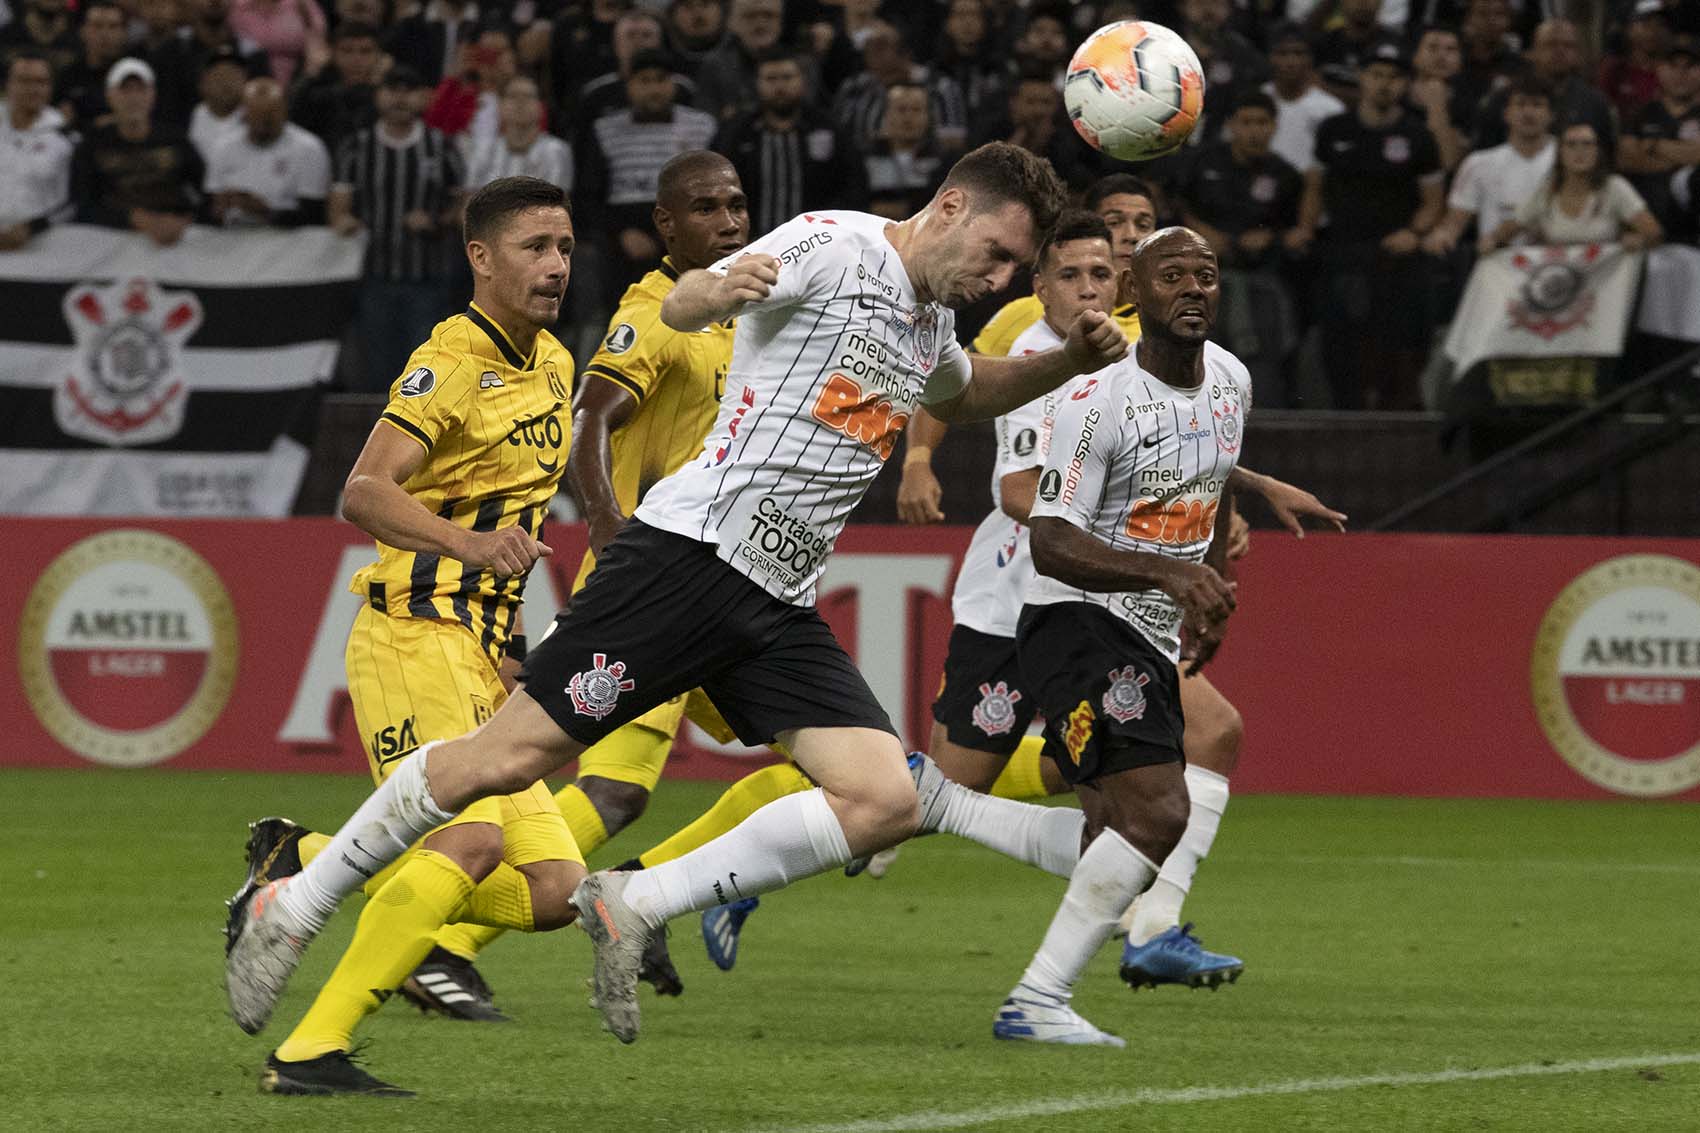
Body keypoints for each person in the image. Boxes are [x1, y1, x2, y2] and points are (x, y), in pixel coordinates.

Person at [223, 141, 1124, 1049]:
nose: (1004, 277)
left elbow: (966, 392)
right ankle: (295, 902)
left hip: (776, 601)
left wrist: (1067, 360)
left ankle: (637, 899)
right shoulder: (835, 244)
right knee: (498, 761)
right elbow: (694, 296)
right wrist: (714, 294)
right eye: (1000, 255)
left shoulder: (930, 320)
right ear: (952, 207)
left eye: (1016, 267)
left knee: (882, 797)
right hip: (687, 562)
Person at [907, 227, 1332, 1045]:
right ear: (1140, 289)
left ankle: (945, 809)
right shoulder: (1089, 393)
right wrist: (1170, 576)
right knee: (1161, 808)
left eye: (1206, 275)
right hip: (1072, 616)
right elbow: (1049, 535)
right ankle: (1042, 993)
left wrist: (1207, 589)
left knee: (1112, 830)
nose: (1194, 289)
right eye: (1172, 275)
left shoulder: (1233, 380)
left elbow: (1206, 486)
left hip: (1144, 625)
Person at [237, 176, 583, 1096]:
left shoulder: (553, 362)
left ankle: (300, 857)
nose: (555, 265)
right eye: (534, 247)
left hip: (475, 649)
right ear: (481, 256)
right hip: (410, 630)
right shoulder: (453, 357)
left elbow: (514, 504)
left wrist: (507, 648)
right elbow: (364, 488)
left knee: (552, 885)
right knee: (464, 845)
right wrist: (468, 545)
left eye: (564, 247)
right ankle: (312, 1047)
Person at [394, 151, 755, 1013]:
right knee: (610, 783)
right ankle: (447, 937)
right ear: (666, 225)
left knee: (801, 759)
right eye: (707, 208)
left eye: (739, 204)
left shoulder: (733, 312)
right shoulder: (655, 311)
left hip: (721, 581)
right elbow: (595, 409)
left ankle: (648, 889)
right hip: (653, 581)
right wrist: (608, 527)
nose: (731, 221)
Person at [1304, 41, 1444, 409]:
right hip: (1343, 251)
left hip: (1395, 255)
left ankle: (1393, 412)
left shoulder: (1418, 136)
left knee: (1396, 344)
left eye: (1394, 77)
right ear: (1362, 79)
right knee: (1339, 341)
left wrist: (1413, 233)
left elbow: (1433, 203)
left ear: (1405, 85)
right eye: (1377, 74)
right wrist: (1304, 228)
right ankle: (1343, 410)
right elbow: (1315, 189)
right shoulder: (1333, 130)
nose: (1384, 84)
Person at [329, 66, 466, 391]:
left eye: (409, 90)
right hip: (374, 278)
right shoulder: (356, 148)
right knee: (377, 371)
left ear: (423, 97)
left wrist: (435, 221)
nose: (400, 98)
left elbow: (463, 209)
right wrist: (345, 222)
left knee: (422, 373)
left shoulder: (442, 148)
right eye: (392, 89)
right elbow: (338, 209)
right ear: (379, 96)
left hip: (427, 280)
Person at [715, 46, 867, 235]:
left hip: (817, 242)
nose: (780, 87)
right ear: (757, 83)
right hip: (750, 241)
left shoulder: (830, 128)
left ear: (802, 81)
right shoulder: (736, 132)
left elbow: (853, 185)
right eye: (771, 79)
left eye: (787, 78)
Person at [70, 57, 205, 246]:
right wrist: (135, 219)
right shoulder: (92, 144)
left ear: (152, 95)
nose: (133, 97)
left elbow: (203, 192)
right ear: (110, 96)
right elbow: (83, 205)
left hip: (175, 246)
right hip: (110, 249)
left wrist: (185, 219)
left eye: (141, 89)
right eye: (125, 89)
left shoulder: (176, 140)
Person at [1423, 74, 1554, 257]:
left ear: (1551, 114)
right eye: (1521, 104)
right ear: (1506, 113)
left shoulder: (1566, 160)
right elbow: (1455, 222)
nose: (1528, 112)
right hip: (1497, 269)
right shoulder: (1478, 163)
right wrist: (1443, 236)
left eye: (1537, 105)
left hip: (1553, 264)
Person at [1482, 121, 1662, 251]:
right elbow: (1509, 228)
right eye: (1571, 145)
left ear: (1597, 152)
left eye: (1587, 144)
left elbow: (1653, 232)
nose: (1579, 151)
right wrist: (1492, 240)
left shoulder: (1615, 187)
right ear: (1560, 152)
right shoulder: (1547, 192)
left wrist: (1639, 239)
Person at [204, 76, 331, 227]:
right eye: (257, 115)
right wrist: (218, 208)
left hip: (289, 241)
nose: (263, 124)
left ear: (284, 111)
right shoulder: (223, 147)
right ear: (244, 114)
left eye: (269, 116)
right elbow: (209, 206)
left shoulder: (309, 148)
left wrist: (266, 211)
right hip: (233, 236)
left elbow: (315, 216)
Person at [1472, 20, 1614, 152]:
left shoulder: (1595, 103)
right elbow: (1485, 152)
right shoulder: (1505, 99)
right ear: (1533, 52)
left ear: (1577, 54)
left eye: (1568, 45)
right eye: (1551, 44)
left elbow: (1605, 156)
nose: (1560, 51)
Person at [1617, 36, 1700, 240]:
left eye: (1690, 66)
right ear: (1659, 69)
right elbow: (1625, 158)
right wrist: (1684, 156)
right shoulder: (1641, 114)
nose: (1681, 74)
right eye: (1673, 66)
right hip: (1648, 233)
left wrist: (1652, 145)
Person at [0, 49, 72, 250]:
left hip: (42, 253)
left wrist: (32, 228)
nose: (33, 89)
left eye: (41, 82)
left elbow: (75, 200)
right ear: (8, 85)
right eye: (24, 81)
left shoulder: (66, 138)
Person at [462, 74, 574, 193]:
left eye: (528, 96)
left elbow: (554, 204)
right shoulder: (483, 150)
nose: (520, 102)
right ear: (500, 106)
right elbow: (469, 199)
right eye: (513, 96)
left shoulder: (556, 150)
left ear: (541, 108)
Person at [1262, 23, 1345, 181]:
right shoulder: (1257, 100)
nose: (1291, 61)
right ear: (1271, 57)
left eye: (1299, 53)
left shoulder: (1331, 110)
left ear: (1310, 59)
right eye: (1282, 53)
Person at [288, 20, 382, 156]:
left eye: (365, 51)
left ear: (378, 55)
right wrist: (312, 73)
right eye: (347, 51)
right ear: (333, 54)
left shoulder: (386, 95)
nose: (356, 59)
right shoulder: (317, 95)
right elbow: (292, 123)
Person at [51, 0, 126, 130]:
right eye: (97, 26)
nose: (105, 34)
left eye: (113, 26)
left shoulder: (135, 74)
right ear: (83, 31)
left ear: (123, 33)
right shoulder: (68, 76)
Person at [188, 44, 250, 161]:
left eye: (233, 74)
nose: (226, 81)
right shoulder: (191, 117)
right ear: (203, 82)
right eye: (219, 75)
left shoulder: (255, 119)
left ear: (246, 80)